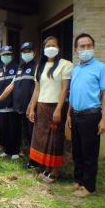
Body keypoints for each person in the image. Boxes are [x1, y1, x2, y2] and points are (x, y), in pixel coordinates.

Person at [66, 33, 105, 197]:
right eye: (82, 46)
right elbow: (72, 93)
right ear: (76, 49)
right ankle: (78, 181)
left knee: (89, 153)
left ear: (93, 47)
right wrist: (69, 114)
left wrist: (104, 119)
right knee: (77, 152)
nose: (86, 49)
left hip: (91, 116)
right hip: (76, 115)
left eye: (89, 46)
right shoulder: (76, 69)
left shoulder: (101, 68)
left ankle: (89, 187)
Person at [28, 36, 73, 183]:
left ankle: (55, 171)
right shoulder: (40, 66)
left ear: (59, 48)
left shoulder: (65, 64)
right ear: (43, 49)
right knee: (42, 140)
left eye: (54, 45)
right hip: (41, 107)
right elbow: (37, 90)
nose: (51, 48)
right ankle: (46, 168)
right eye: (48, 46)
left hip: (55, 107)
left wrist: (59, 109)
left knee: (55, 139)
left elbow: (65, 89)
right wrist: (32, 108)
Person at [0, 42, 37, 166]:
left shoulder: (36, 67)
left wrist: (32, 106)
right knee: (26, 134)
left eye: (29, 51)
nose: (26, 54)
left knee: (31, 134)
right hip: (20, 107)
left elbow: (38, 88)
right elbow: (10, 87)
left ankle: (34, 160)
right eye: (24, 51)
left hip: (31, 107)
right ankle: (31, 158)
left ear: (34, 52)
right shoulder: (20, 69)